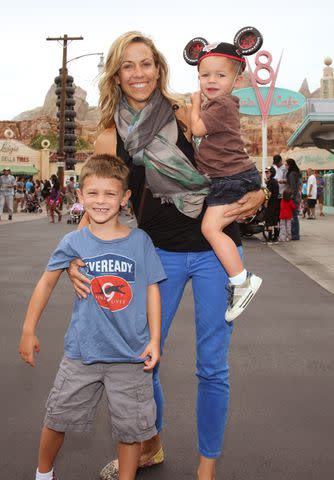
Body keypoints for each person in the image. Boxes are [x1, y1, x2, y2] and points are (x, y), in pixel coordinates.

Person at [68, 31, 266, 480]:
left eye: (146, 64)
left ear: (159, 68)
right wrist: (74, 257)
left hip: (218, 248)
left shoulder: (187, 111)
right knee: (143, 360)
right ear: (116, 74)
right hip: (159, 254)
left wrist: (262, 192)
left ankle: (206, 467)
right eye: (127, 65)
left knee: (212, 367)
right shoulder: (108, 136)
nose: (138, 74)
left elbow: (236, 162)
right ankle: (151, 444)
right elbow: (101, 201)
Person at [18, 154, 166, 480]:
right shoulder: (73, 241)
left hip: (131, 356)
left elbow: (153, 290)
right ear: (80, 196)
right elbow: (46, 282)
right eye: (93, 193)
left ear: (125, 198)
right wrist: (29, 329)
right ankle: (43, 474)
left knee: (130, 430)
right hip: (82, 353)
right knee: (57, 418)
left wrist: (155, 339)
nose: (101, 201)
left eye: (110, 193)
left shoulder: (140, 242)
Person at [190, 41, 262, 322]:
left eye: (220, 75)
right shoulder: (220, 104)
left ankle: (241, 280)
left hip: (231, 178)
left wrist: (194, 105)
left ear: (237, 79)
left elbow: (197, 128)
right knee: (213, 227)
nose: (211, 80)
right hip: (229, 177)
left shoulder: (220, 104)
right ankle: (239, 279)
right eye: (205, 75)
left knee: (210, 228)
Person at [285, 158, 301, 240]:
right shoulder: (295, 173)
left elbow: (293, 187)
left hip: (293, 198)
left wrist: (290, 197)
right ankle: (295, 234)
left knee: (293, 216)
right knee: (294, 216)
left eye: (286, 165)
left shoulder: (291, 174)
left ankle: (295, 235)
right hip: (296, 197)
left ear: (290, 165)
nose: (285, 166)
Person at [263, 166, 280, 244]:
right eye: (265, 172)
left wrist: (266, 202)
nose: (266, 174)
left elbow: (269, 193)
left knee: (269, 221)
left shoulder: (270, 182)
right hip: (276, 203)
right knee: (275, 221)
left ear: (272, 173)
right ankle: (275, 238)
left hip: (271, 204)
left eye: (267, 172)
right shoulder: (274, 181)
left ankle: (269, 239)